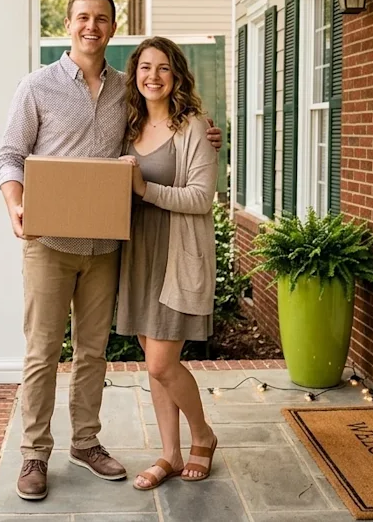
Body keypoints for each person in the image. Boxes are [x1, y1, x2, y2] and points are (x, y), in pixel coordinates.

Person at [0, 0, 221, 501]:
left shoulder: (129, 90)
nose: (91, 26)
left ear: (113, 29)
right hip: (50, 241)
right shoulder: (37, 87)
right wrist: (16, 204)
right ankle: (34, 453)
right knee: (41, 353)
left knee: (93, 352)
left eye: (101, 18)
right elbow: (10, 155)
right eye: (82, 17)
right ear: (68, 24)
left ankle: (86, 443)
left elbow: (173, 130)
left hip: (107, 247)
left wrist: (211, 136)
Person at [116, 37, 219, 490]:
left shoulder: (193, 128)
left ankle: (203, 436)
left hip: (176, 255)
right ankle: (170, 454)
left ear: (176, 76)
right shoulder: (126, 126)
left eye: (162, 68)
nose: (152, 77)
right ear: (134, 75)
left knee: (161, 364)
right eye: (144, 68)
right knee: (151, 363)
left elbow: (201, 198)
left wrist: (144, 189)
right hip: (136, 255)